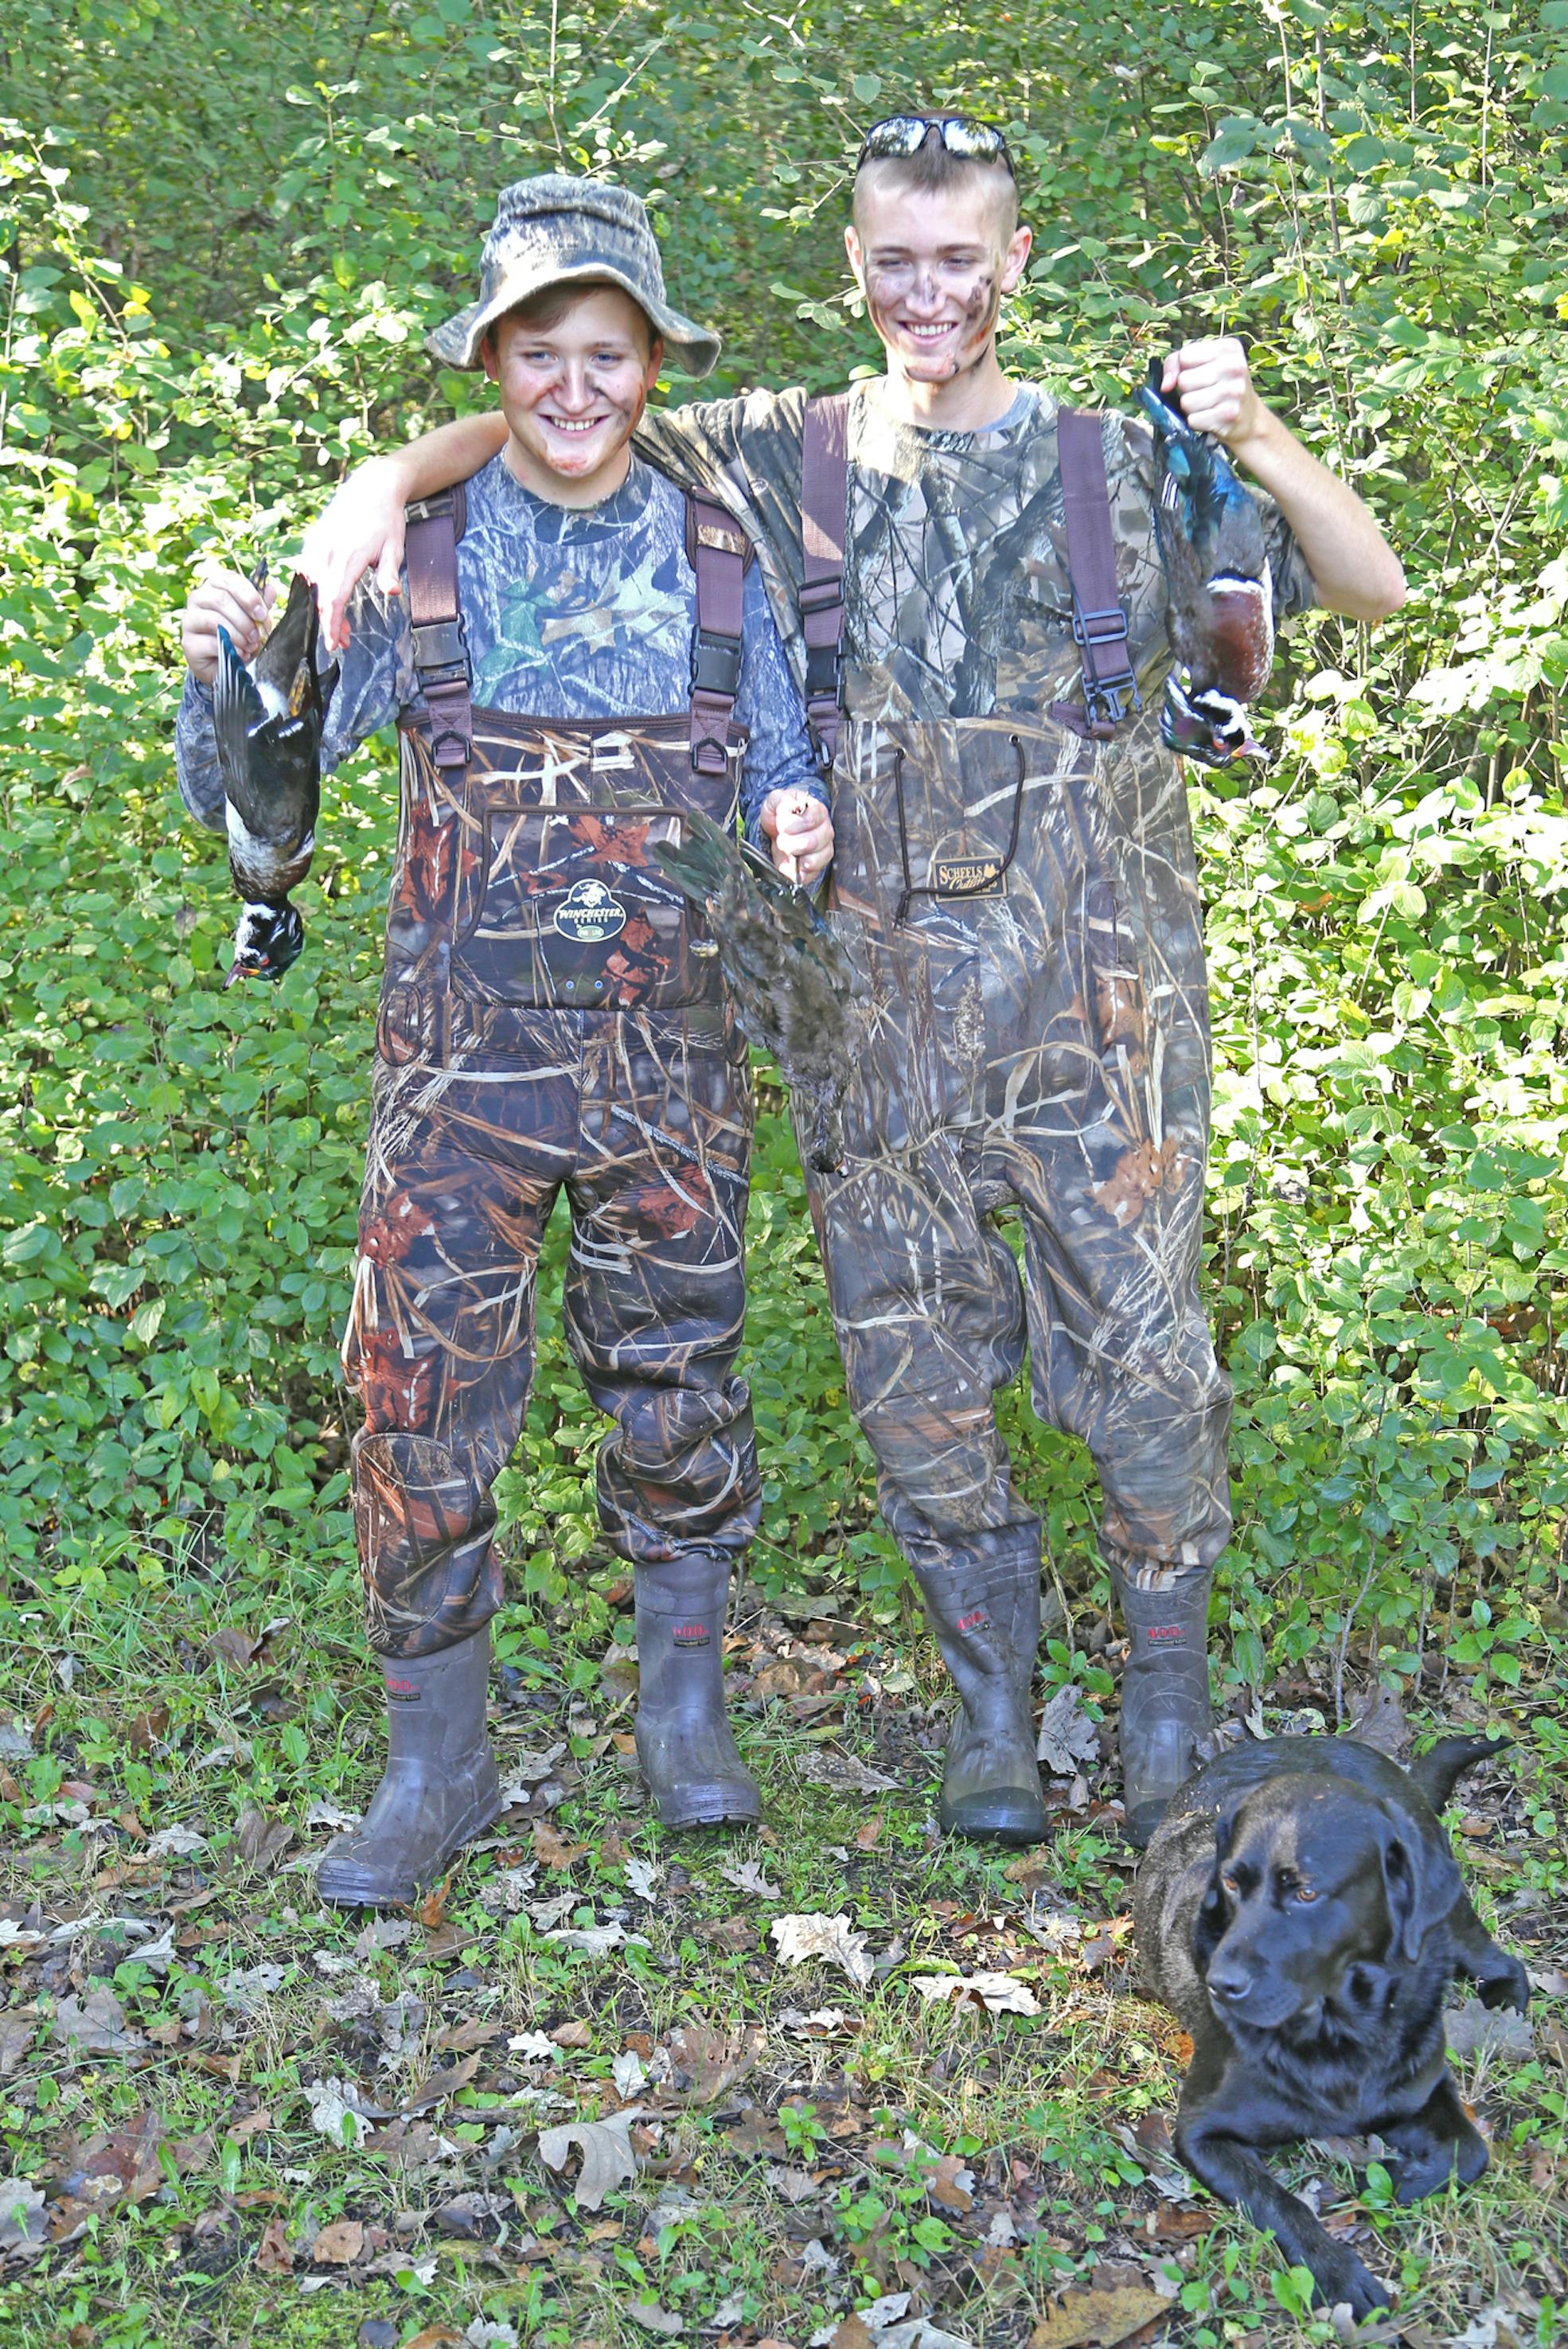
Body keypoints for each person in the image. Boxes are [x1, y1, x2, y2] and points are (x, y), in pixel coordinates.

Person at [300, 117, 1405, 1848]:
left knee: (1145, 1373)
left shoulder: (1124, 465)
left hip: (1098, 1030)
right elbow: (561, 418)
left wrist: (1255, 432)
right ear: (854, 269)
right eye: (894, 260)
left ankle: (1166, 1712)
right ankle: (991, 1715)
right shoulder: (775, 456)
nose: (927, 294)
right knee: (916, 1384)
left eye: (958, 258)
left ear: (1015, 262)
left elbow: (1368, 585)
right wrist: (388, 481)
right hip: (869, 1031)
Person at [176, 175, 833, 1905]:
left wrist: (793, 816)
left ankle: (682, 1718)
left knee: (680, 1389)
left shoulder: (718, 550)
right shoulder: (414, 562)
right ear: (494, 361)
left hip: (669, 1065)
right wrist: (240, 679)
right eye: (537, 354)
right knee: (419, 1404)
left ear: (651, 360)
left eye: (604, 353)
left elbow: (781, 759)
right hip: (458, 1078)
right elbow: (270, 810)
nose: (571, 387)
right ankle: (433, 1764)